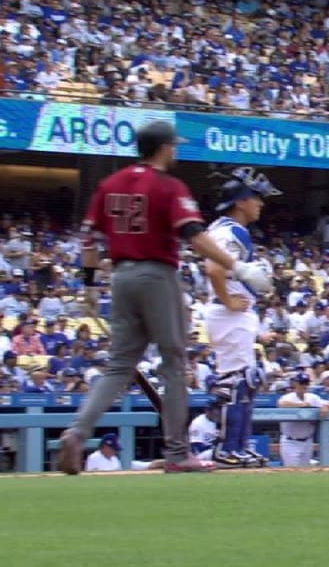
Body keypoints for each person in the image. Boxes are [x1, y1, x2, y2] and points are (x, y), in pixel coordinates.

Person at [57, 120, 272, 475]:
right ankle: (177, 452)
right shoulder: (169, 186)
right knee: (173, 364)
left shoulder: (109, 184)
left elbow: (89, 240)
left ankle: (77, 432)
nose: (176, 150)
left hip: (122, 276)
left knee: (118, 365)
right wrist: (238, 266)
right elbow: (194, 236)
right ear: (164, 148)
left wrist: (90, 282)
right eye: (173, 145)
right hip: (157, 273)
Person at [204, 166, 281, 468]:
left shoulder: (230, 229)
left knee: (246, 381)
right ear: (241, 201)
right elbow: (213, 268)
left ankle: (238, 446)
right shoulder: (230, 230)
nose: (260, 204)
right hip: (227, 313)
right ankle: (226, 449)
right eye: (256, 198)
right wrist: (227, 299)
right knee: (236, 383)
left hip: (233, 313)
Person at [276, 373, 328, 467]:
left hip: (307, 441)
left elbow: (328, 403)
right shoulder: (288, 397)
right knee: (292, 472)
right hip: (290, 442)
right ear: (296, 384)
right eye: (302, 383)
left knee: (305, 472)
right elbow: (281, 404)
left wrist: (325, 406)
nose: (304, 385)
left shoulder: (313, 397)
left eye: (306, 383)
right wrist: (301, 405)